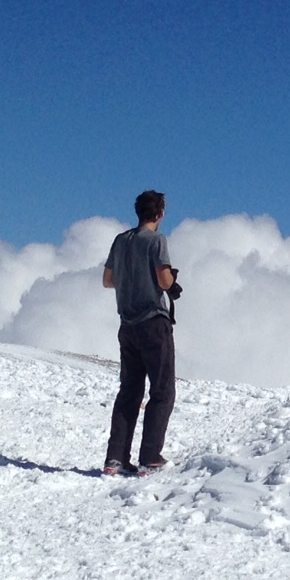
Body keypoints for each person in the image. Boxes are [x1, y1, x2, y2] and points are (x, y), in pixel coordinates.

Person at [101, 190, 179, 476]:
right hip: (153, 323)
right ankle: (150, 458)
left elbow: (108, 280)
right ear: (160, 213)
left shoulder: (121, 240)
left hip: (127, 324)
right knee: (162, 391)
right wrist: (171, 283)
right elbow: (163, 279)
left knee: (129, 391)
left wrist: (130, 280)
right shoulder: (156, 240)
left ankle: (116, 458)